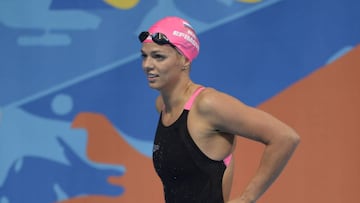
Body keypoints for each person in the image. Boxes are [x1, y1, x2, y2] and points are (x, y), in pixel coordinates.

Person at [138, 16, 300, 203]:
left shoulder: (207, 105)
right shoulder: (162, 106)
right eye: (145, 56)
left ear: (184, 60)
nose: (147, 65)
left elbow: (285, 137)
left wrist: (248, 198)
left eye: (158, 56)